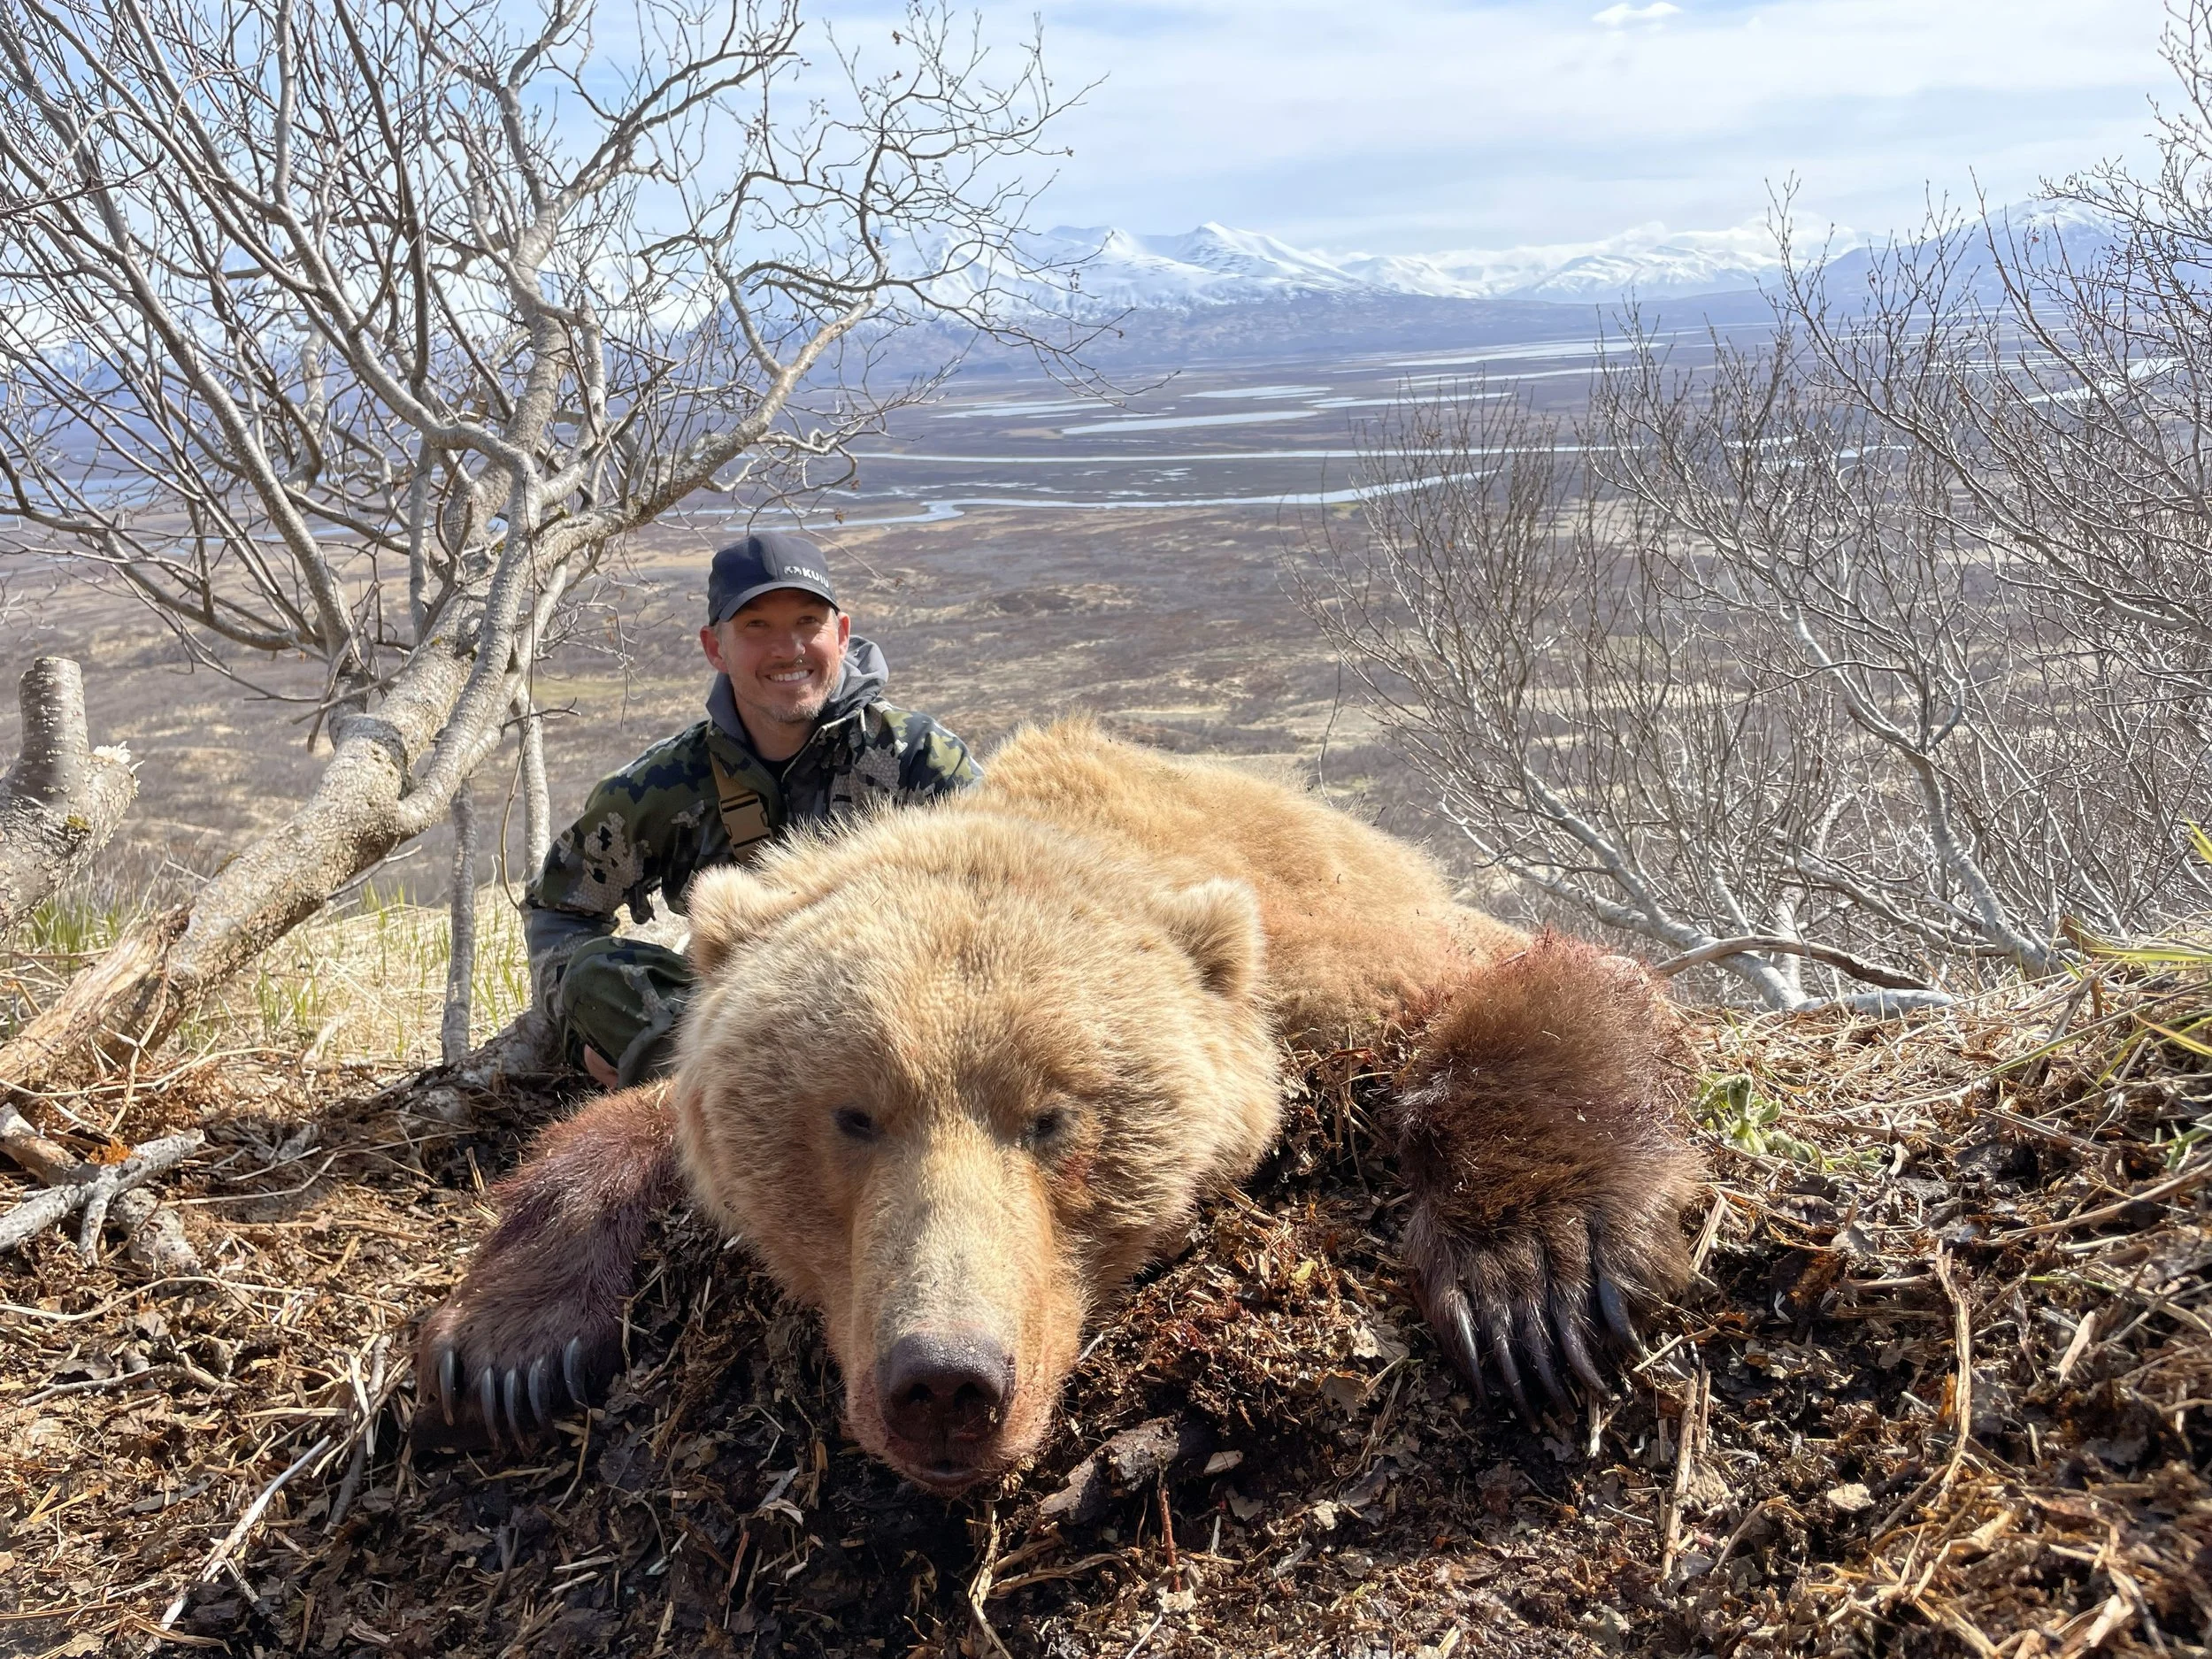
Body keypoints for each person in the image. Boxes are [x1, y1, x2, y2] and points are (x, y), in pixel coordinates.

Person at [523, 531, 980, 1088]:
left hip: (900, 1026)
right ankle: (713, 1108)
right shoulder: (665, 786)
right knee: (598, 975)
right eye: (757, 627)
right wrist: (583, 1032)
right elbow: (559, 907)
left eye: (808, 623)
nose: (788, 650)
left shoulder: (918, 759)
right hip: (742, 1037)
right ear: (716, 648)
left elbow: (1006, 899)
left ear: (841, 634)